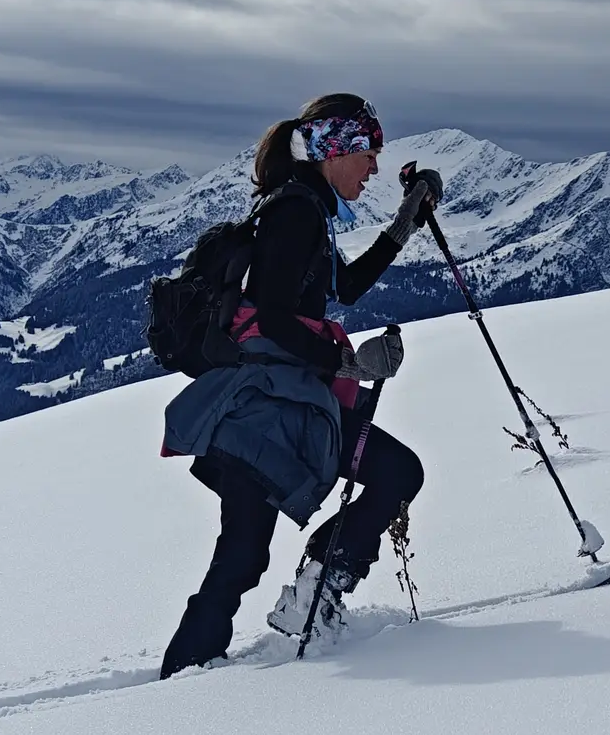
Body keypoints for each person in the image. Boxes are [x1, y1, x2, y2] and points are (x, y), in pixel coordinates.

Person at [159, 94, 442, 679]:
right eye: (369, 151)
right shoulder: (295, 213)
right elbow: (277, 320)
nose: (374, 166)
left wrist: (407, 219)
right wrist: (348, 365)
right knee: (244, 553)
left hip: (284, 405)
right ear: (334, 148)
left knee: (245, 552)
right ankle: (298, 601)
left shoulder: (307, 209)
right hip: (267, 411)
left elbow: (348, 287)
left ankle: (311, 592)